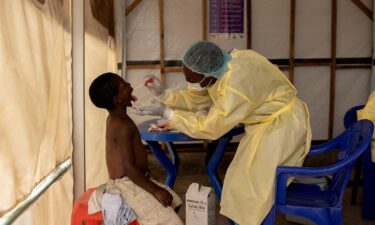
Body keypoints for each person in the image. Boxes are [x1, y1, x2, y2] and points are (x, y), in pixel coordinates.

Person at [135, 41, 312, 225]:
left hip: (281, 127)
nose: (190, 84)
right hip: (267, 124)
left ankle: (268, 215)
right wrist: (165, 95)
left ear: (207, 74)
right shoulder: (228, 62)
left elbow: (210, 127)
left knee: (257, 191)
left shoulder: (236, 84)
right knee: (240, 184)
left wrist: (168, 113)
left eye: (193, 79)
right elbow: (201, 97)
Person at [88, 72, 183, 225]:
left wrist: (146, 174)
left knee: (174, 201)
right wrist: (155, 190)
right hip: (127, 185)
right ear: (117, 99)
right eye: (124, 86)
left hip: (133, 178)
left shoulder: (116, 118)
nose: (130, 86)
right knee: (170, 220)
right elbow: (129, 168)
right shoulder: (122, 125)